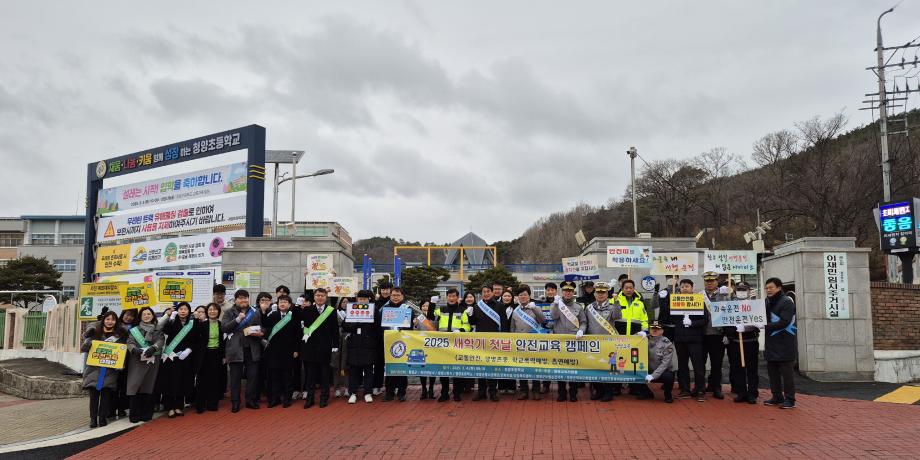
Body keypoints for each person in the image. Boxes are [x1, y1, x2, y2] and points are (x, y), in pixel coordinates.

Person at [157, 302, 205, 418]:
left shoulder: (193, 323)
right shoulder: (173, 321)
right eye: (181, 309)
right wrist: (171, 318)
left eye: (185, 309)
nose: (183, 311)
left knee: (182, 381)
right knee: (169, 381)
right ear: (177, 311)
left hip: (185, 356)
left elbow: (197, 340)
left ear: (189, 312)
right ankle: (169, 407)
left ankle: (179, 406)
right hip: (170, 355)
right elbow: (166, 331)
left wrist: (189, 350)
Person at [221, 289, 265, 412]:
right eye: (240, 298)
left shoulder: (255, 312)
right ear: (235, 300)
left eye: (245, 297)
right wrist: (238, 319)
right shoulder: (229, 312)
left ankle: (250, 400)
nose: (243, 300)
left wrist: (260, 332)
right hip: (235, 349)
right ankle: (235, 402)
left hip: (252, 349)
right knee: (235, 378)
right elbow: (224, 328)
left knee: (252, 376)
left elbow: (261, 327)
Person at [81, 311, 126, 428]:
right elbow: (84, 348)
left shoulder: (119, 335)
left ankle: (102, 418)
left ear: (116, 322)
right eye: (107, 319)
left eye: (112, 319)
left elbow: (122, 352)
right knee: (94, 397)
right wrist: (88, 337)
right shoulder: (95, 333)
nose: (110, 322)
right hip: (93, 370)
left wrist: (121, 364)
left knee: (106, 397)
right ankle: (93, 419)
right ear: (103, 321)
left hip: (109, 371)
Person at [467, 284, 509, 402]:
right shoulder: (476, 306)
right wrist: (470, 315)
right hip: (480, 342)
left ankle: (493, 392)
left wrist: (503, 339)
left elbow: (504, 323)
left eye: (488, 291)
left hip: (494, 341)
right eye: (484, 292)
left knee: (492, 367)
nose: (486, 293)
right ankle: (481, 392)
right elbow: (473, 323)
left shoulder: (500, 305)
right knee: (480, 367)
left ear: (492, 292)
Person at [668, 279, 707, 402]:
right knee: (682, 365)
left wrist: (692, 323)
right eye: (682, 286)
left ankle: (700, 390)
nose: (684, 288)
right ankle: (685, 389)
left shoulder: (699, 300)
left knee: (698, 366)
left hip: (695, 338)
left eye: (687, 286)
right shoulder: (675, 301)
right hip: (680, 338)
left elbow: (705, 320)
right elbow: (670, 317)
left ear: (692, 288)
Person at [300, 288, 340, 408]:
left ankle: (324, 397)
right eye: (318, 295)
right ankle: (310, 399)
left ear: (326, 296)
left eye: (322, 295)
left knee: (324, 375)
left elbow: (335, 330)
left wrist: (335, 345)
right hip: (310, 347)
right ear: (314, 296)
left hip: (325, 347)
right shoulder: (307, 310)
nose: (320, 297)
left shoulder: (331, 311)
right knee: (310, 375)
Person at [763, 277, 798, 409]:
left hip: (785, 342)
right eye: (766, 288)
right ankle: (777, 396)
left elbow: (784, 321)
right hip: (771, 343)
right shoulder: (767, 301)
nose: (768, 290)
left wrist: (764, 326)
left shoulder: (786, 302)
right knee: (772, 372)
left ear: (779, 287)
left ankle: (790, 399)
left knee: (787, 373)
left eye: (771, 287)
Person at [551, 281, 587, 402]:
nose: (568, 293)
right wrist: (556, 304)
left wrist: (581, 330)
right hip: (559, 341)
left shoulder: (578, 307)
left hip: (574, 341)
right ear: (562, 292)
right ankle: (561, 392)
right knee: (560, 368)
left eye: (570, 291)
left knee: (573, 367)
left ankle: (573, 392)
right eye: (566, 291)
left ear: (573, 293)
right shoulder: (556, 304)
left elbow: (583, 322)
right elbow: (554, 317)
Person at [724, 282, 760, 404]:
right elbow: (724, 322)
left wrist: (747, 327)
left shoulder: (755, 305)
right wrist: (732, 330)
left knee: (752, 368)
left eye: (744, 290)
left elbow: (759, 322)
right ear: (734, 292)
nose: (741, 292)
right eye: (738, 290)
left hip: (750, 341)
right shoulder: (729, 305)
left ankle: (752, 393)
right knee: (737, 368)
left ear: (748, 291)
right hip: (735, 341)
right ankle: (741, 392)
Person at [343, 290, 381, 404]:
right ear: (357, 299)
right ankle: (353, 393)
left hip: (368, 344)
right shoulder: (351, 309)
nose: (362, 301)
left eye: (365, 299)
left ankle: (368, 392)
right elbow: (345, 326)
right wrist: (355, 325)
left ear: (369, 299)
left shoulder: (374, 310)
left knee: (368, 370)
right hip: (354, 344)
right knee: (353, 370)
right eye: (360, 299)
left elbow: (378, 327)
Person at [263, 294, 301, 408]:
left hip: (288, 351)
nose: (282, 304)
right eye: (280, 302)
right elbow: (265, 324)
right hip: (274, 351)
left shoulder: (293, 316)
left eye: (285, 302)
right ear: (277, 304)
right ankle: (275, 399)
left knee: (287, 377)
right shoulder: (273, 315)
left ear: (290, 305)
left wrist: (296, 349)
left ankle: (287, 399)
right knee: (274, 377)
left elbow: (298, 334)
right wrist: (264, 311)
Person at [509, 284, 546, 400]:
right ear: (517, 297)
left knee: (535, 367)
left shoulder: (536, 308)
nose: (523, 297)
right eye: (520, 295)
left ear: (529, 296)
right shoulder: (515, 311)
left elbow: (543, 320)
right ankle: (524, 390)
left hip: (534, 343)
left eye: (525, 295)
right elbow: (512, 328)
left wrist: (534, 308)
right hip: (520, 344)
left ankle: (536, 390)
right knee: (522, 368)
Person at [125, 307, 162, 423]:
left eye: (149, 314)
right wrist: (134, 350)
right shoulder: (134, 330)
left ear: (153, 315)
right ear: (140, 316)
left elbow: (161, 341)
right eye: (144, 314)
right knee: (135, 386)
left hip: (152, 361)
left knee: (148, 386)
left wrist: (154, 347)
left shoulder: (158, 329)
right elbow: (130, 342)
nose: (147, 316)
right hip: (137, 361)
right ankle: (134, 414)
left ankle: (146, 413)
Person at [434, 288, 471, 402]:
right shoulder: (441, 310)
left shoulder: (463, 310)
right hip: (443, 344)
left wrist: (460, 330)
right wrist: (431, 304)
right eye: (449, 296)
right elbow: (430, 317)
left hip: (457, 344)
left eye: (453, 296)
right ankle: (444, 393)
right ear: (447, 297)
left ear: (457, 297)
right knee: (443, 370)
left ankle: (456, 393)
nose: (451, 298)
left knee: (456, 369)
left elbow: (467, 326)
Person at [584, 282, 618, 402]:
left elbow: (618, 316)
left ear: (607, 294)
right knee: (594, 367)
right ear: (594, 294)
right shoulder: (589, 308)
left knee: (608, 367)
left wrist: (617, 301)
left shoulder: (612, 306)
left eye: (603, 292)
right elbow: (585, 323)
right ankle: (598, 391)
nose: (600, 294)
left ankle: (608, 392)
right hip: (593, 343)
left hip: (608, 343)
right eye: (598, 292)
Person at [381, 287, 414, 402]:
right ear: (390, 296)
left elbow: (409, 326)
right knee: (389, 368)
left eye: (397, 295)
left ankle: (401, 392)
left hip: (402, 342)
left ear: (402, 296)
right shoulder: (384, 309)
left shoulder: (407, 309)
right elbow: (380, 326)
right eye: (393, 295)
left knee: (401, 368)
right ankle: (389, 392)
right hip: (388, 342)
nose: (395, 297)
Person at [701, 271, 729, 399]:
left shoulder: (724, 294)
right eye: (707, 281)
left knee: (716, 364)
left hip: (718, 334)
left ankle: (716, 387)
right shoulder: (699, 296)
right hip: (701, 334)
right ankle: (700, 387)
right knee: (700, 363)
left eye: (712, 281)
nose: (709, 283)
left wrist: (727, 295)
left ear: (717, 281)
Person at [195, 303, 225, 413]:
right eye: (210, 310)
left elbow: (223, 342)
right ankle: (200, 405)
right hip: (204, 354)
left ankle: (212, 404)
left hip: (216, 354)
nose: (212, 311)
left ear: (218, 311)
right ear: (207, 312)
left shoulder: (221, 325)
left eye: (215, 310)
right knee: (202, 380)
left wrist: (224, 356)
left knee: (215, 379)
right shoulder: (202, 324)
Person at [112, 308, 138, 419]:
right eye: (127, 314)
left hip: (128, 359)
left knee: (124, 386)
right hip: (114, 358)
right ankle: (111, 410)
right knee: (113, 385)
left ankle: (122, 408)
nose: (129, 317)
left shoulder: (136, 328)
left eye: (132, 316)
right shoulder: (114, 325)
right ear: (123, 314)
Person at [642, 321, 675, 403]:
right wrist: (640, 333)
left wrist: (653, 376)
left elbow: (665, 364)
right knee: (633, 373)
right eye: (652, 328)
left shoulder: (667, 344)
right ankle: (647, 393)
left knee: (669, 376)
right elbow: (630, 340)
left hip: (662, 372)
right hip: (647, 370)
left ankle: (668, 394)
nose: (655, 331)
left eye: (657, 329)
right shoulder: (643, 339)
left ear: (662, 331)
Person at [372, 281, 393, 395]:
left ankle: (392, 386)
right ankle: (377, 385)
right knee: (378, 362)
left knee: (392, 362)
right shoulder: (375, 303)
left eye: (387, 289)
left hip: (392, 336)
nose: (385, 291)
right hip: (379, 337)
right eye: (383, 289)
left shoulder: (395, 303)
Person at [416, 298, 438, 400]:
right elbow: (413, 332)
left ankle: (431, 388)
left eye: (427, 306)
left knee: (432, 368)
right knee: (422, 368)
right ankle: (424, 389)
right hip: (421, 346)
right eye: (424, 306)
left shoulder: (436, 317)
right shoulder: (418, 318)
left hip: (433, 346)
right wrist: (415, 325)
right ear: (421, 307)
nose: (425, 308)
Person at [539, 282, 557, 395]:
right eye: (548, 290)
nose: (550, 292)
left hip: (558, 335)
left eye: (552, 290)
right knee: (546, 361)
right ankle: (546, 385)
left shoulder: (560, 303)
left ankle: (562, 385)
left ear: (556, 291)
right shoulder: (541, 303)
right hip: (544, 335)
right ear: (545, 291)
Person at [332, 297, 350, 398]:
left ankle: (348, 387)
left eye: (347, 301)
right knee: (336, 363)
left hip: (348, 338)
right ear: (339, 303)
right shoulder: (334, 312)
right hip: (337, 338)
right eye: (343, 302)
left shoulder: (353, 312)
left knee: (347, 362)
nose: (345, 303)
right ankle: (337, 387)